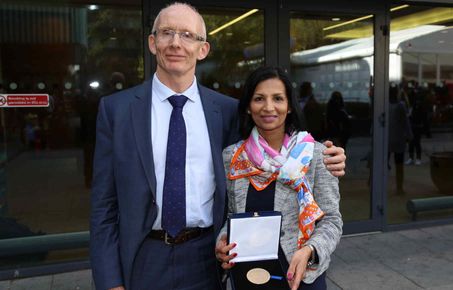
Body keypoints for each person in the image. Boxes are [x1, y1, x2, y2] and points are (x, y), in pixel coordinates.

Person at [90, 3, 346, 290]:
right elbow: (104, 207)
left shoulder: (225, 111)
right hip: (143, 258)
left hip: (207, 258)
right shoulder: (117, 111)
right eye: (167, 33)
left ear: (203, 49)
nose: (176, 43)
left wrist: (330, 156)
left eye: (188, 35)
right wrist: (109, 281)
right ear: (152, 42)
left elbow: (273, 143)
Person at [215, 66, 342, 290]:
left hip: (301, 278)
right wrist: (223, 241)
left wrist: (310, 251)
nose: (268, 107)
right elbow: (232, 215)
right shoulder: (233, 157)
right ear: (247, 107)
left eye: (278, 98)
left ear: (290, 106)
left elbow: (331, 220)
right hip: (249, 278)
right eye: (259, 99)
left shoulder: (315, 155)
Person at [388, 85, 412, 194]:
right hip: (398, 139)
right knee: (399, 164)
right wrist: (410, 135)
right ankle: (399, 187)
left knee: (383, 163)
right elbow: (406, 122)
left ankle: (378, 183)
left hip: (386, 139)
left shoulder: (385, 105)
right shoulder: (400, 106)